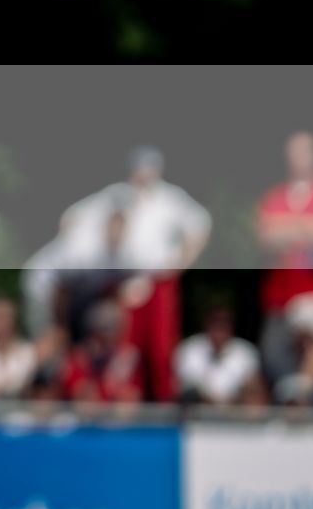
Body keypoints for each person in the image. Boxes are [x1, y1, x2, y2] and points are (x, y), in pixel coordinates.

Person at [60, 147, 210, 400]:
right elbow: (72, 218)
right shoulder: (116, 195)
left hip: (158, 281)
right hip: (123, 281)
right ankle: (122, 398)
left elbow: (200, 225)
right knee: (122, 348)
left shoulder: (169, 198)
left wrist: (179, 263)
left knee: (160, 348)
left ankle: (163, 402)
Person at [255, 132, 313, 327]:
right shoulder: (273, 197)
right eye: (293, 151)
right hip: (279, 295)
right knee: (275, 354)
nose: (297, 156)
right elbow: (266, 238)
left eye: (304, 151)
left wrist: (286, 225)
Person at [174, 303, 264, 406]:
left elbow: (254, 386)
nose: (220, 330)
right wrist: (217, 405)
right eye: (216, 324)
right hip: (198, 412)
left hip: (235, 411)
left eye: (224, 324)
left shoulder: (246, 351)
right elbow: (188, 389)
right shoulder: (189, 349)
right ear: (207, 325)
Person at [59, 301, 144, 405]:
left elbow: (133, 395)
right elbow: (81, 395)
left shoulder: (127, 356)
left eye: (114, 330)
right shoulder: (79, 358)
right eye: (103, 331)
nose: (109, 338)